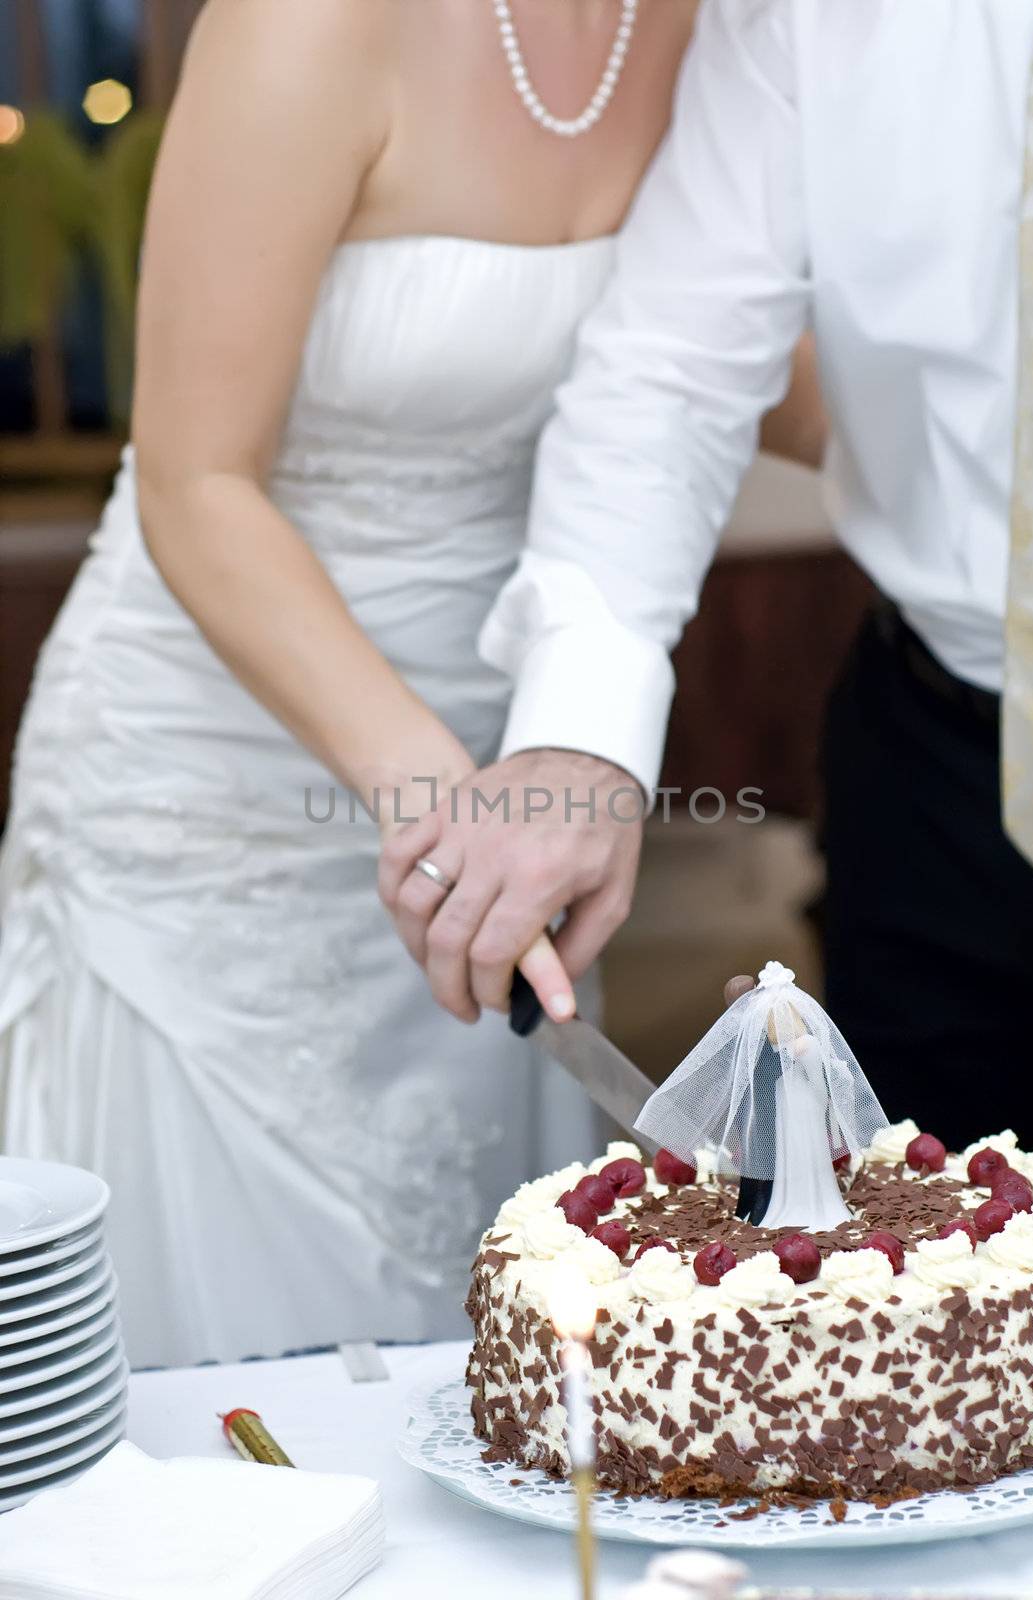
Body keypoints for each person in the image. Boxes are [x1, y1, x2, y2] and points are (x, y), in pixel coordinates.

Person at [0, 0, 822, 1366]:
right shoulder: (308, 25)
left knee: (485, 1361)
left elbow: (713, 368)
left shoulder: (728, 34)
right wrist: (441, 805)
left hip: (516, 786)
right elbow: (195, 484)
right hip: (228, 780)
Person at [382, 0, 1033, 1154]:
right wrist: (580, 732)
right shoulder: (807, 18)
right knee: (929, 1291)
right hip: (941, 768)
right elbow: (673, 366)